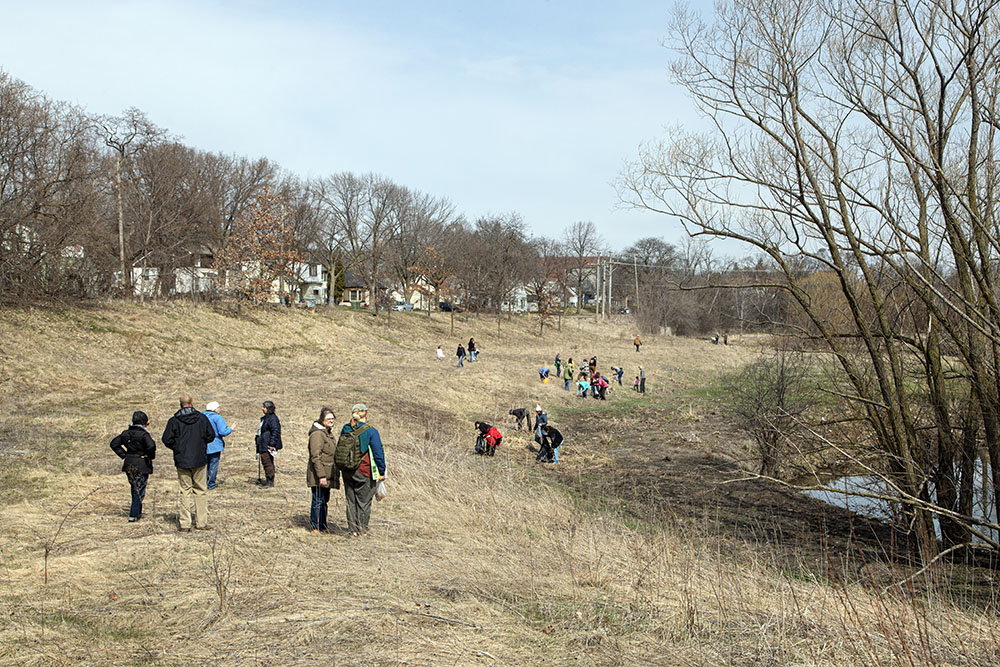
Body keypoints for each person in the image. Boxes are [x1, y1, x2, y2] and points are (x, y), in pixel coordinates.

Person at [162, 395, 215, 532]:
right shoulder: (202, 418)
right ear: (192, 403)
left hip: (182, 460)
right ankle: (201, 522)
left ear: (181, 405)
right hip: (199, 459)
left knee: (185, 491)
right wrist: (201, 444)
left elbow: (166, 439)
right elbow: (211, 435)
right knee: (200, 491)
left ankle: (185, 524)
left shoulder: (174, 421)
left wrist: (177, 448)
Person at [339, 403, 386, 536]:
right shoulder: (371, 431)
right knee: (364, 501)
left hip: (347, 470)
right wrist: (381, 471)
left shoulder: (346, 428)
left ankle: (352, 530)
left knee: (350, 500)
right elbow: (378, 453)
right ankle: (362, 530)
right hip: (364, 471)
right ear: (366, 414)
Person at [109, 410, 156, 522]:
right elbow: (151, 446)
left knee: (134, 488)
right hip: (141, 464)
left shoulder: (125, 433)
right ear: (144, 423)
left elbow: (114, 443)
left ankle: (137, 513)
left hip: (129, 464)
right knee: (139, 490)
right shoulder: (144, 434)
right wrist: (149, 457)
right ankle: (133, 514)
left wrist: (125, 455)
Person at [307, 407, 339, 533]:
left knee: (324, 500)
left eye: (333, 418)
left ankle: (322, 526)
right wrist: (321, 476)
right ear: (322, 420)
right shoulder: (317, 434)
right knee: (318, 500)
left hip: (328, 473)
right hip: (319, 475)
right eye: (328, 419)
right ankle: (315, 526)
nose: (331, 421)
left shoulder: (328, 433)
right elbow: (316, 456)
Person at [203, 401, 232, 490]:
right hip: (214, 445)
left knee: (204, 465)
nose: (219, 409)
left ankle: (202, 483)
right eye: (218, 408)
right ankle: (210, 484)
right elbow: (223, 432)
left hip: (202, 444)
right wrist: (231, 428)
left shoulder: (201, 416)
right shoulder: (217, 418)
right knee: (213, 464)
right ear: (214, 409)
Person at [257, 400, 283, 488]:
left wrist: (272, 444)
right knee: (265, 461)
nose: (262, 409)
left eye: (264, 407)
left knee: (267, 462)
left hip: (267, 444)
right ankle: (268, 479)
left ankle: (270, 481)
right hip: (264, 443)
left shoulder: (273, 419)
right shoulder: (266, 418)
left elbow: (275, 432)